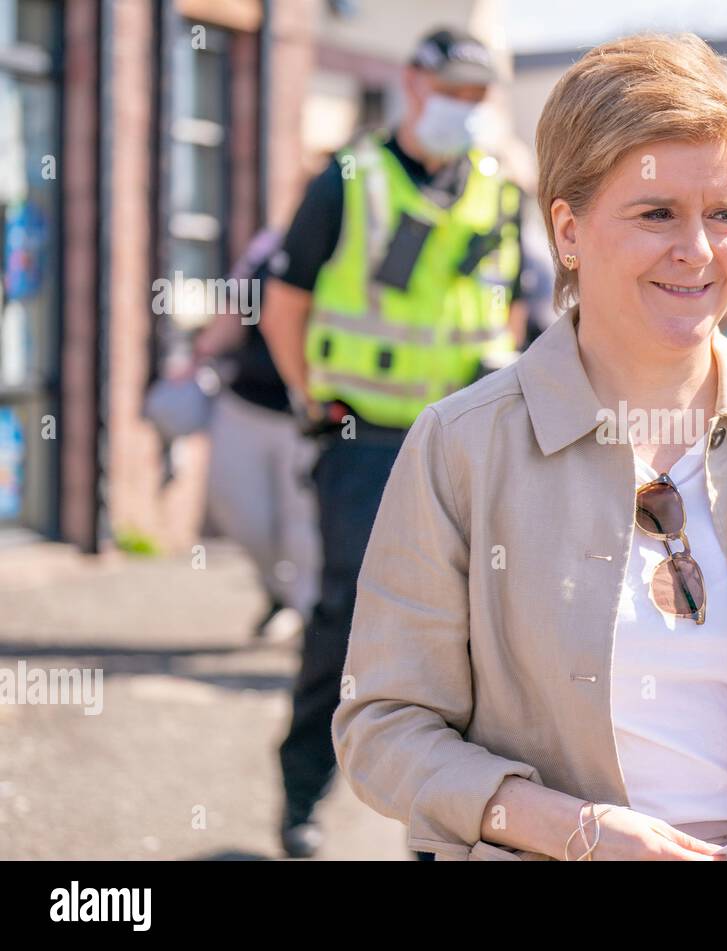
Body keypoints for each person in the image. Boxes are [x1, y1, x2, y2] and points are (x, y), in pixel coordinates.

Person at [331, 33, 727, 861]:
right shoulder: (461, 448)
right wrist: (572, 830)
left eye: (725, 214)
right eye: (657, 212)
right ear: (568, 230)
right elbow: (385, 724)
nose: (697, 251)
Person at [259, 27, 524, 859]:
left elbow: (511, 307)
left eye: (479, 94)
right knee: (345, 624)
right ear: (412, 83)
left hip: (467, 447)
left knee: (476, 642)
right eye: (452, 88)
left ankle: (441, 824)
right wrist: (311, 397)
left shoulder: (501, 191)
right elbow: (285, 297)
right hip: (363, 436)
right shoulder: (349, 179)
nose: (464, 107)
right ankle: (302, 798)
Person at [193, 229, 320, 642]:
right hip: (246, 401)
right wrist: (199, 354)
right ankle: (280, 593)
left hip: (310, 416)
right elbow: (235, 312)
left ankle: (311, 622)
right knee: (241, 512)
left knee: (303, 524)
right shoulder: (269, 247)